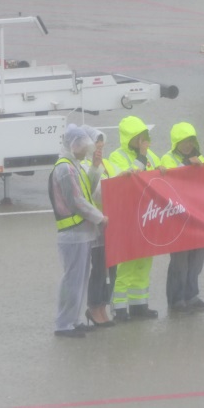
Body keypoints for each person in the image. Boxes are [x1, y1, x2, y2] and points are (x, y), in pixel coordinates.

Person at [49, 124, 107, 338]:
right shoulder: (65, 168)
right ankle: (63, 324)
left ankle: (72, 321)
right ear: (74, 145)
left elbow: (87, 192)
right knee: (72, 279)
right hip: (73, 233)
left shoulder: (75, 166)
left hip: (81, 233)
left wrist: (95, 167)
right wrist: (100, 218)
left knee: (79, 279)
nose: (86, 150)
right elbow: (76, 201)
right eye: (83, 146)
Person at [109, 116, 163, 321]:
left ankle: (139, 305)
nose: (143, 141)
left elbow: (159, 174)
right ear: (129, 138)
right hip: (128, 217)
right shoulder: (117, 157)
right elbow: (130, 176)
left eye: (144, 137)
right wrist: (141, 156)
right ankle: (120, 309)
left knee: (143, 262)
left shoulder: (150, 156)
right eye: (138, 137)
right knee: (126, 264)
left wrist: (163, 170)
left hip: (147, 217)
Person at [161, 122, 204, 313]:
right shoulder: (167, 158)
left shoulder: (199, 157)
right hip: (178, 219)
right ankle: (176, 300)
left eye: (190, 141)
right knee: (179, 262)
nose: (187, 145)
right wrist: (187, 165)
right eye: (183, 141)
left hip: (198, 217)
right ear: (176, 142)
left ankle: (192, 295)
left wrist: (200, 166)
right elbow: (169, 181)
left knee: (197, 259)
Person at [80, 125, 117, 328]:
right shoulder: (85, 166)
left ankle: (103, 305)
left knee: (111, 268)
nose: (100, 148)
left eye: (102, 144)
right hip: (96, 228)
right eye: (96, 144)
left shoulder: (108, 164)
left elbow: (118, 182)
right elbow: (95, 193)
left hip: (111, 227)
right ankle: (94, 307)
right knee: (99, 269)